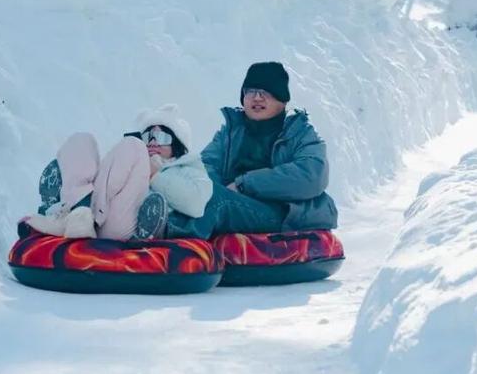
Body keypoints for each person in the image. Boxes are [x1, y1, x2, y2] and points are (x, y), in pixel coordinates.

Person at [136, 61, 338, 239]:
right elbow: (205, 168)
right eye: (250, 91)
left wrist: (244, 184)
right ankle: (144, 221)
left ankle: (167, 233)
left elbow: (312, 175)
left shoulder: (299, 132)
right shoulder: (232, 131)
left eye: (265, 92)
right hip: (237, 205)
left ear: (282, 100)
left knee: (216, 200)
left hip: (280, 212)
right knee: (202, 193)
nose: (256, 98)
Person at [26, 104, 212, 241]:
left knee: (133, 145)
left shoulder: (190, 167)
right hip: (92, 211)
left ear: (178, 143)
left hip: (121, 222)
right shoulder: (136, 155)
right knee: (82, 140)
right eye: (148, 136)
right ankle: (74, 212)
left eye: (162, 137)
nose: (153, 142)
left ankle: (80, 214)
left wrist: (156, 175)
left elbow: (196, 203)